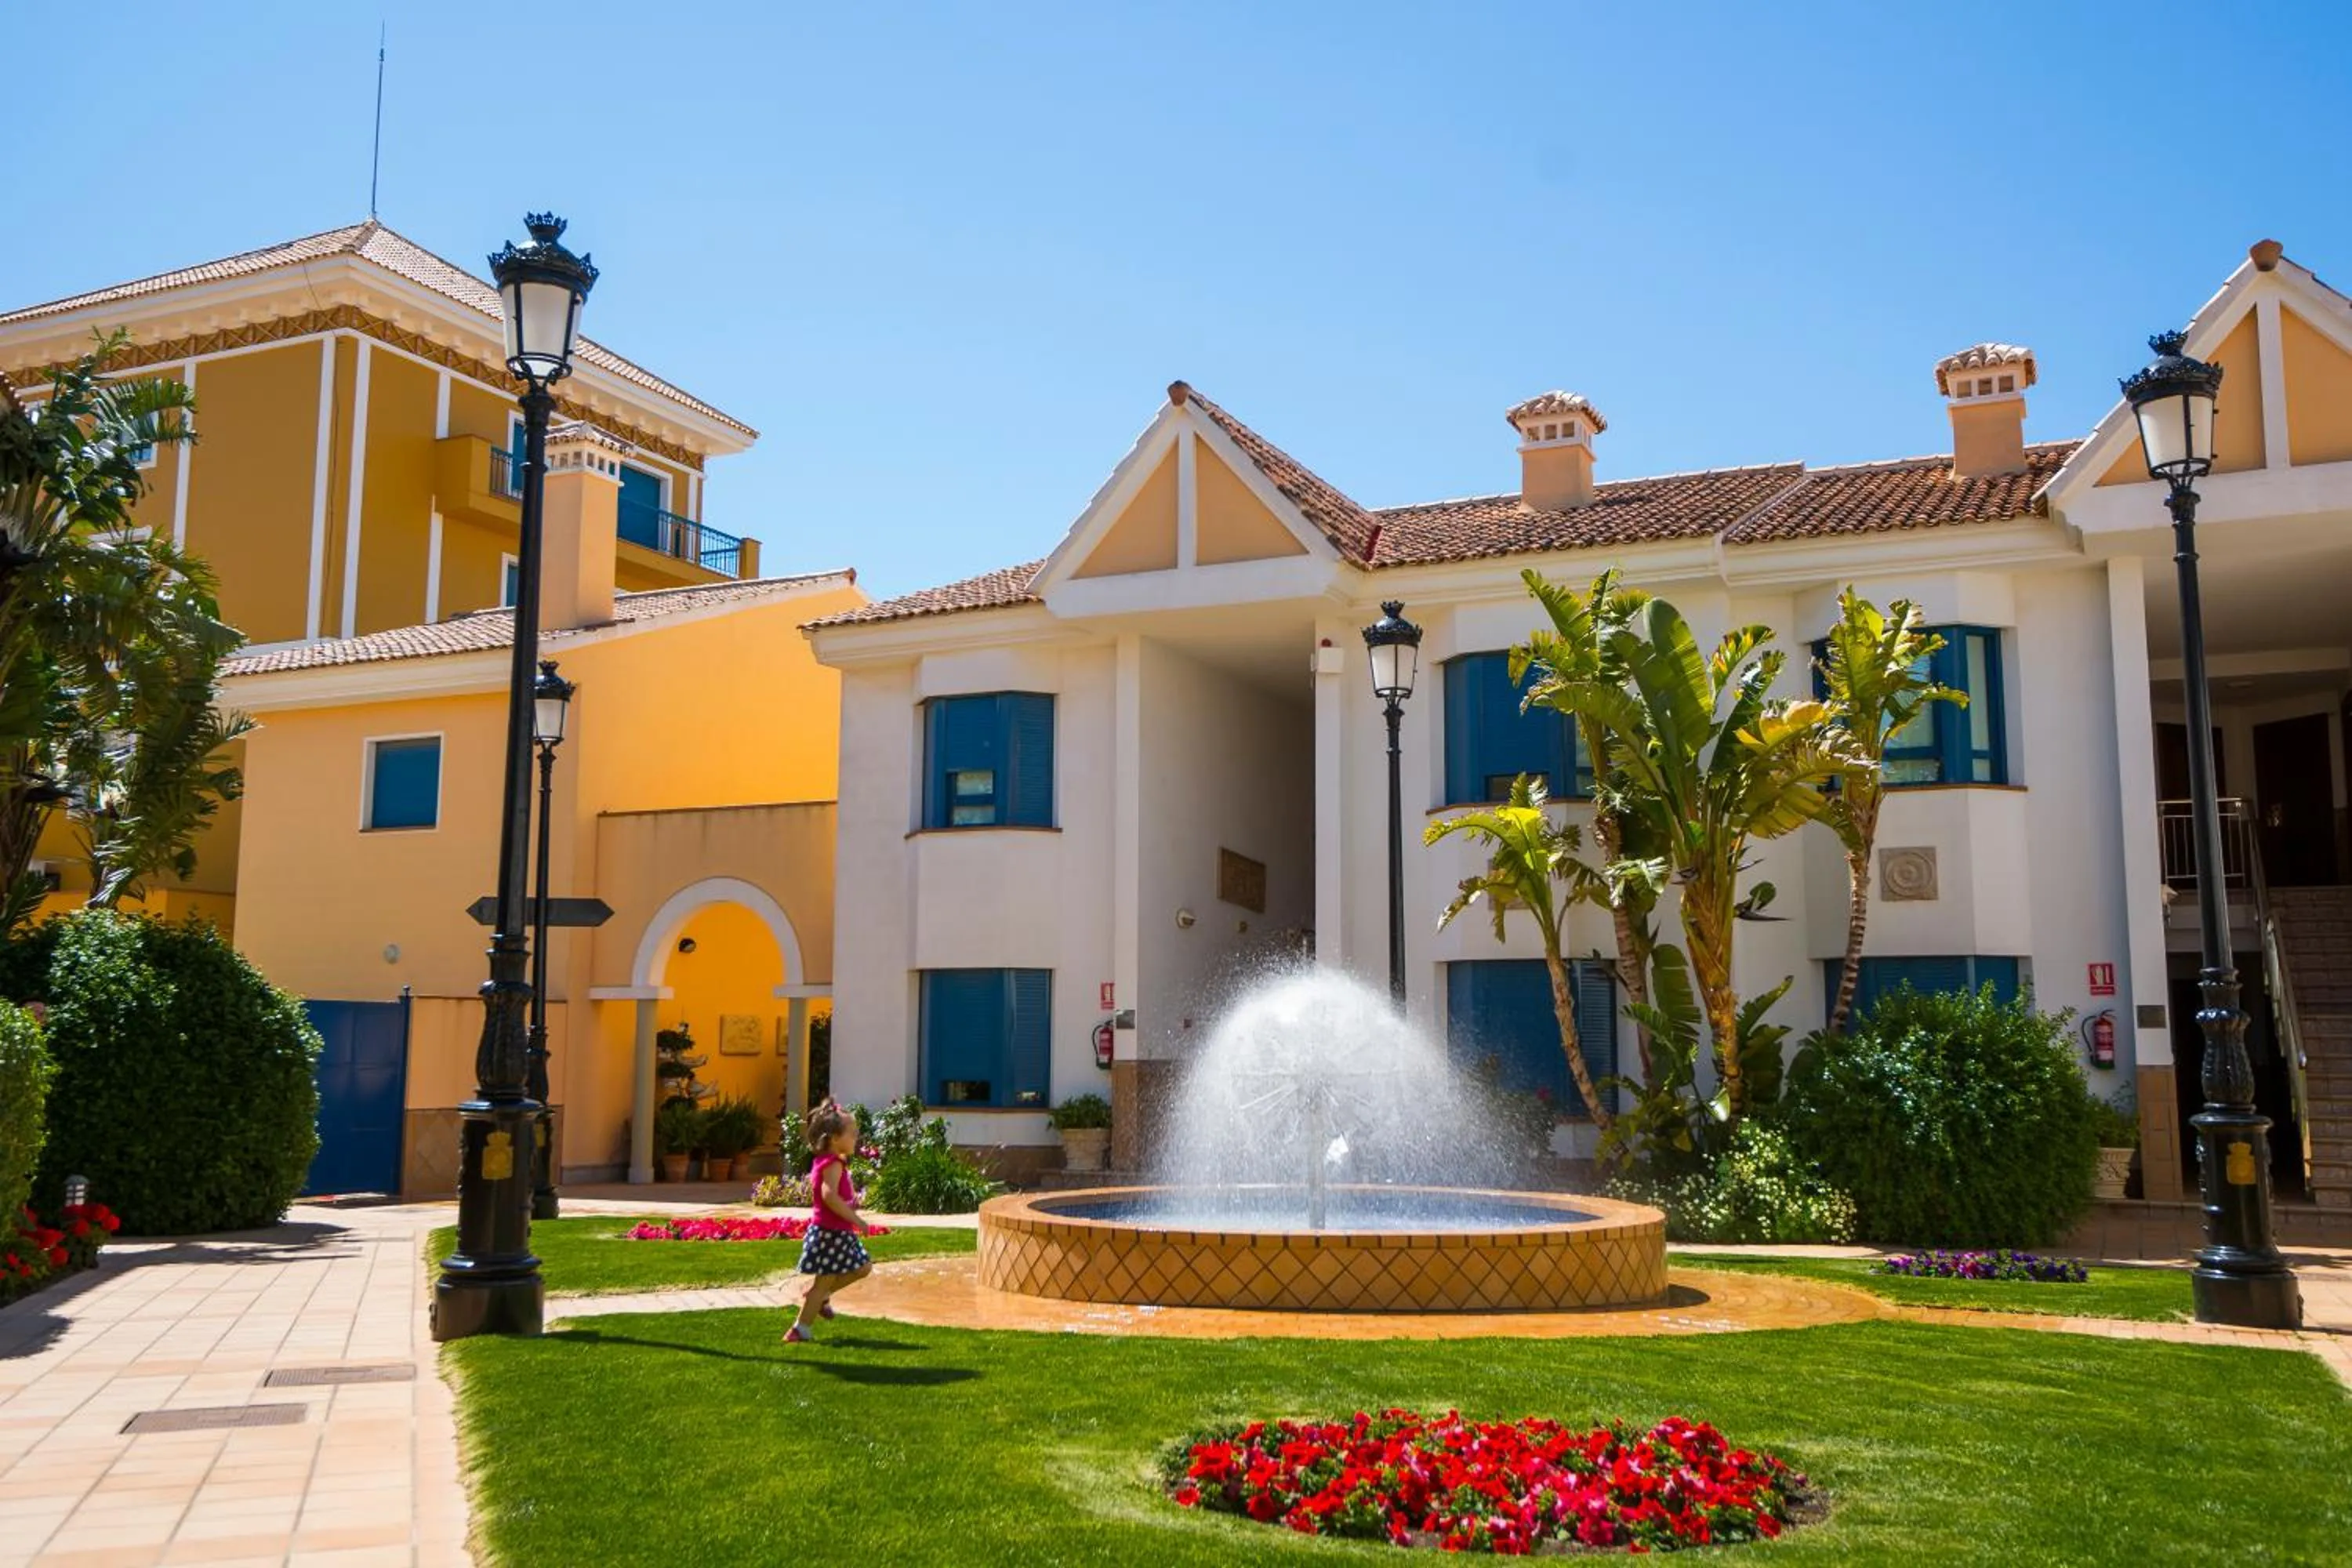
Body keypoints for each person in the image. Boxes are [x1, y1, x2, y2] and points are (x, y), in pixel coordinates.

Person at [785, 1100, 873, 1343]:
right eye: (852, 1133)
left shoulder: (833, 1162)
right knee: (824, 1282)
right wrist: (857, 1219)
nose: (856, 1137)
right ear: (835, 1138)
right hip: (830, 1233)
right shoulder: (832, 1163)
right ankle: (800, 1329)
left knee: (862, 1268)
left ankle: (820, 1297)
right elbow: (828, 1195)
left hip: (837, 1232)